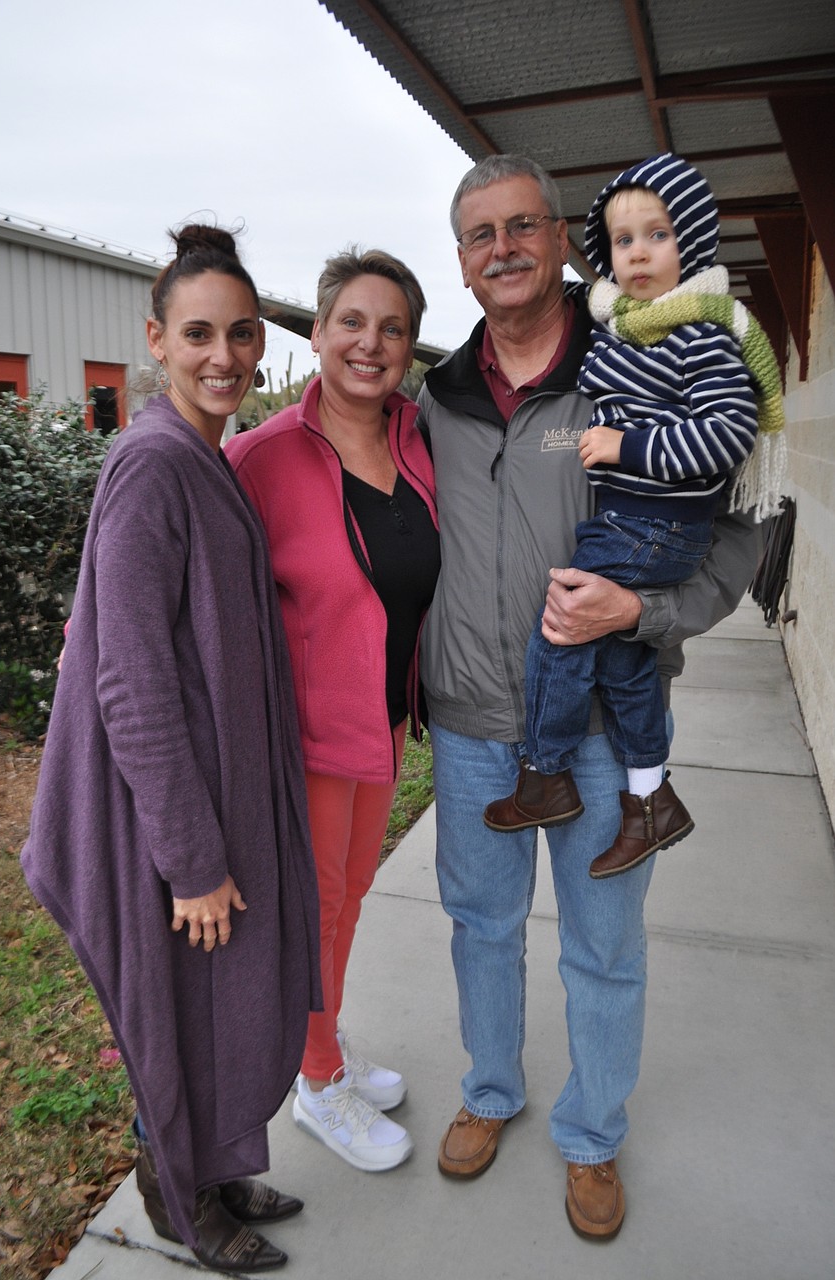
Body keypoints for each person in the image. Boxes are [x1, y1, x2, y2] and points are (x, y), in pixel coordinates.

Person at [417, 155, 760, 1239]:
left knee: (603, 943)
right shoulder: (437, 398)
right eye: (481, 234)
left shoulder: (637, 357)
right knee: (481, 925)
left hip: (606, 726)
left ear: (563, 238)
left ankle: (592, 1133)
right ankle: (489, 1090)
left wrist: (640, 611)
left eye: (523, 225)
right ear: (461, 262)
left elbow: (738, 536)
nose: (504, 248)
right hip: (473, 720)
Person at [21, 225, 321, 1273]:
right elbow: (132, 679)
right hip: (171, 815)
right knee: (180, 1016)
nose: (223, 356)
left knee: (219, 1009)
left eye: (241, 333)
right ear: (156, 340)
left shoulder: (205, 453)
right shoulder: (152, 463)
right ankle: (177, 1195)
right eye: (198, 334)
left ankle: (219, 1165)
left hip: (218, 788)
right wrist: (190, 860)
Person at [483, 153, 785, 879]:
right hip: (633, 520)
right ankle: (651, 800)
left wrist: (628, 445)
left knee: (561, 626)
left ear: (694, 241)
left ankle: (546, 774)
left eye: (658, 234)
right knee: (623, 661)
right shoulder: (627, 325)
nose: (639, 253)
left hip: (655, 526)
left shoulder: (703, 332)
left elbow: (727, 435)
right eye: (623, 240)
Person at [226, 248, 439, 1173]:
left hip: (383, 720)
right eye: (351, 321)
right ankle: (316, 1084)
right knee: (315, 911)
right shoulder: (259, 458)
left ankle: (327, 1046)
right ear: (316, 334)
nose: (370, 343)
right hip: (307, 739)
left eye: (392, 328)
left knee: (349, 898)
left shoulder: (416, 440)